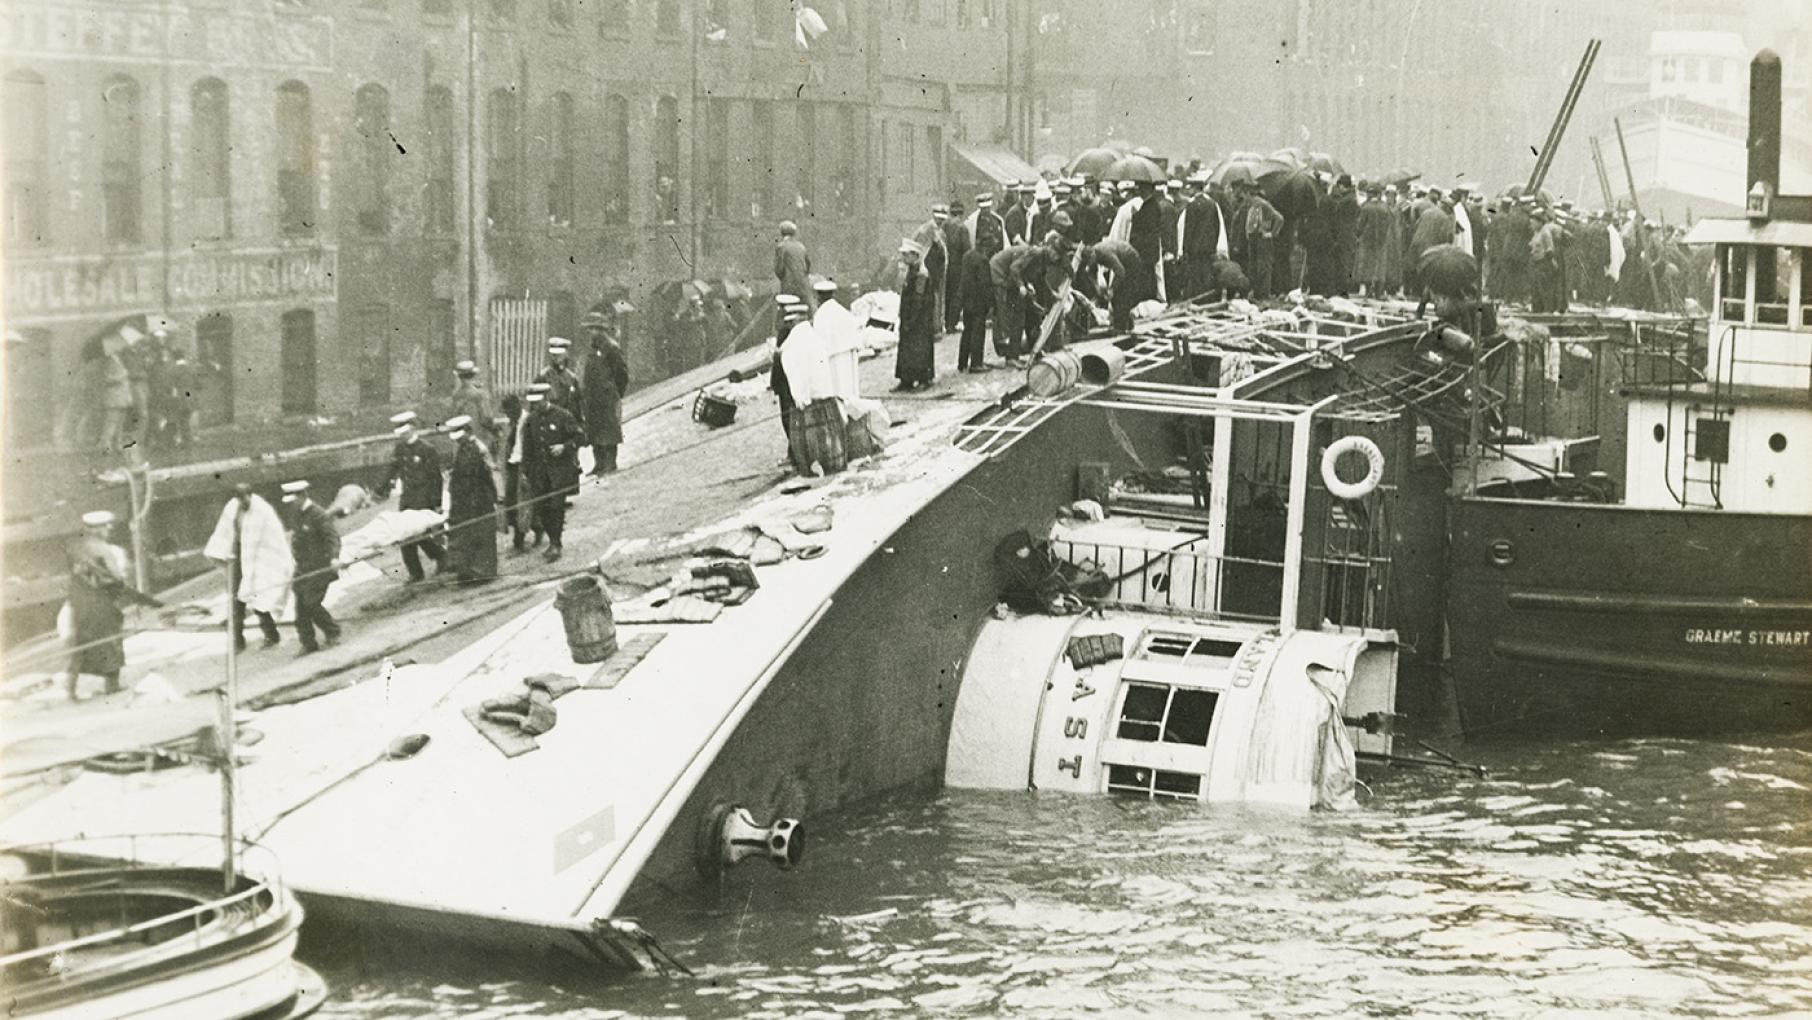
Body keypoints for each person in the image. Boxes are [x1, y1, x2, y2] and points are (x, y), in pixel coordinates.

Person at [63, 510, 159, 698]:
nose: (108, 529)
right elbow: (112, 580)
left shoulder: (74, 547)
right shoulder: (102, 549)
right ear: (93, 529)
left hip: (78, 602)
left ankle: (71, 691)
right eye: (104, 526)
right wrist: (144, 599)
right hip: (101, 603)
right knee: (111, 643)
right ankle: (111, 685)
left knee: (79, 645)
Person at [204, 484, 292, 653]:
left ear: (250, 495)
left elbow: (273, 538)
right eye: (240, 499)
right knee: (236, 601)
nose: (243, 502)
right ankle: (238, 641)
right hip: (238, 559)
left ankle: (271, 634)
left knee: (259, 598)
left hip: (257, 559)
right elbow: (225, 531)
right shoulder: (232, 508)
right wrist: (221, 552)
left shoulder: (263, 510)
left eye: (245, 498)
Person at [380, 411, 446, 583]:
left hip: (423, 498)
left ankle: (441, 557)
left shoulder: (426, 449)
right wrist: (380, 487)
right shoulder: (400, 448)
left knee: (420, 534)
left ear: (413, 428)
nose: (402, 435)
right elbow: (392, 468)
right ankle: (416, 572)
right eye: (400, 432)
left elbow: (436, 478)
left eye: (405, 431)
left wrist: (437, 503)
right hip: (408, 498)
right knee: (404, 535)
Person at [522, 388, 582, 561]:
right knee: (542, 509)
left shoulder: (562, 415)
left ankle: (556, 543)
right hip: (539, 474)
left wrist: (564, 447)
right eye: (533, 403)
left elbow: (580, 437)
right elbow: (528, 448)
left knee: (556, 507)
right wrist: (526, 472)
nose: (535, 406)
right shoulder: (531, 420)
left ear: (546, 398)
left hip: (559, 472)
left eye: (538, 402)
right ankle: (552, 539)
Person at [281, 481, 341, 655]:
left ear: (302, 496)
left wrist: (335, 558)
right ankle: (308, 643)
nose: (291, 505)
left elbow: (333, 538)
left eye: (293, 500)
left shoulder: (318, 514)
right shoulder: (297, 515)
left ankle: (332, 631)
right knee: (300, 608)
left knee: (312, 603)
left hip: (320, 567)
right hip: (303, 568)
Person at [443, 415, 498, 584]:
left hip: (479, 497)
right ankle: (467, 570)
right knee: (465, 534)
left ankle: (484, 572)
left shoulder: (478, 448)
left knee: (483, 535)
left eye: (460, 437)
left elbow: (487, 474)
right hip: (465, 499)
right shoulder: (463, 447)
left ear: (467, 431)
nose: (457, 441)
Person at [578, 312, 630, 476]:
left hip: (607, 397)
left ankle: (610, 463)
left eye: (594, 328)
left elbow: (622, 374)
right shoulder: (593, 349)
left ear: (602, 329)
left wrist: (614, 392)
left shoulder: (611, 347)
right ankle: (598, 464)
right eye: (590, 329)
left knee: (609, 430)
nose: (591, 332)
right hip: (593, 397)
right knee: (594, 430)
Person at [895, 237, 937, 390]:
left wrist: (910, 320)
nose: (903, 257)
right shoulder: (913, 270)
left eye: (906, 254)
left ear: (914, 255)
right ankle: (906, 379)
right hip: (911, 317)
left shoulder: (921, 274)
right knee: (908, 348)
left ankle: (924, 379)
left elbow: (918, 300)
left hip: (919, 319)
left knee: (920, 348)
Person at [1175, 174, 1225, 302]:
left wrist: (1184, 249)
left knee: (1195, 276)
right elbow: (1216, 225)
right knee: (1206, 274)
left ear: (1194, 188)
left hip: (1194, 248)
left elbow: (1189, 228)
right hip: (1208, 247)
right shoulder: (1212, 204)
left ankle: (1196, 298)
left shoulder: (1192, 205)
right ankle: (1207, 298)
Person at [499, 392, 536, 553]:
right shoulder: (511, 424)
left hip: (525, 466)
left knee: (522, 503)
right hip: (512, 466)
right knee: (511, 503)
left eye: (510, 412)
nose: (508, 415)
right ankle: (535, 529)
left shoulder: (529, 421)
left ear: (517, 407)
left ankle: (519, 542)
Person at [1240, 182, 1284, 299]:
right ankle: (1256, 292)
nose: (1244, 198)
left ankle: (1264, 294)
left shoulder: (1263, 204)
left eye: (1244, 195)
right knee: (1254, 266)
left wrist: (1271, 233)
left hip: (1262, 239)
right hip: (1254, 239)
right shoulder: (1252, 205)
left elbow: (1279, 218)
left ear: (1249, 194)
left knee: (1263, 267)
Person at [448, 360, 496, 448]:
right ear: (474, 375)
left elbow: (454, 416)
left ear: (459, 377)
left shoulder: (457, 395)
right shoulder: (480, 394)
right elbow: (486, 417)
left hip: (462, 438)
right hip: (480, 437)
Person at [536, 339, 584, 424]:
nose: (556, 358)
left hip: (568, 423)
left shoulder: (572, 378)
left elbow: (577, 405)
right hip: (550, 422)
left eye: (559, 355)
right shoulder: (543, 377)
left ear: (566, 354)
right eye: (554, 355)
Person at [774, 220, 813, 307]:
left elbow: (779, 269)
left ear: (782, 233)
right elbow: (808, 266)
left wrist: (784, 278)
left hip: (789, 286)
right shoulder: (801, 246)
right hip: (803, 286)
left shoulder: (781, 246)